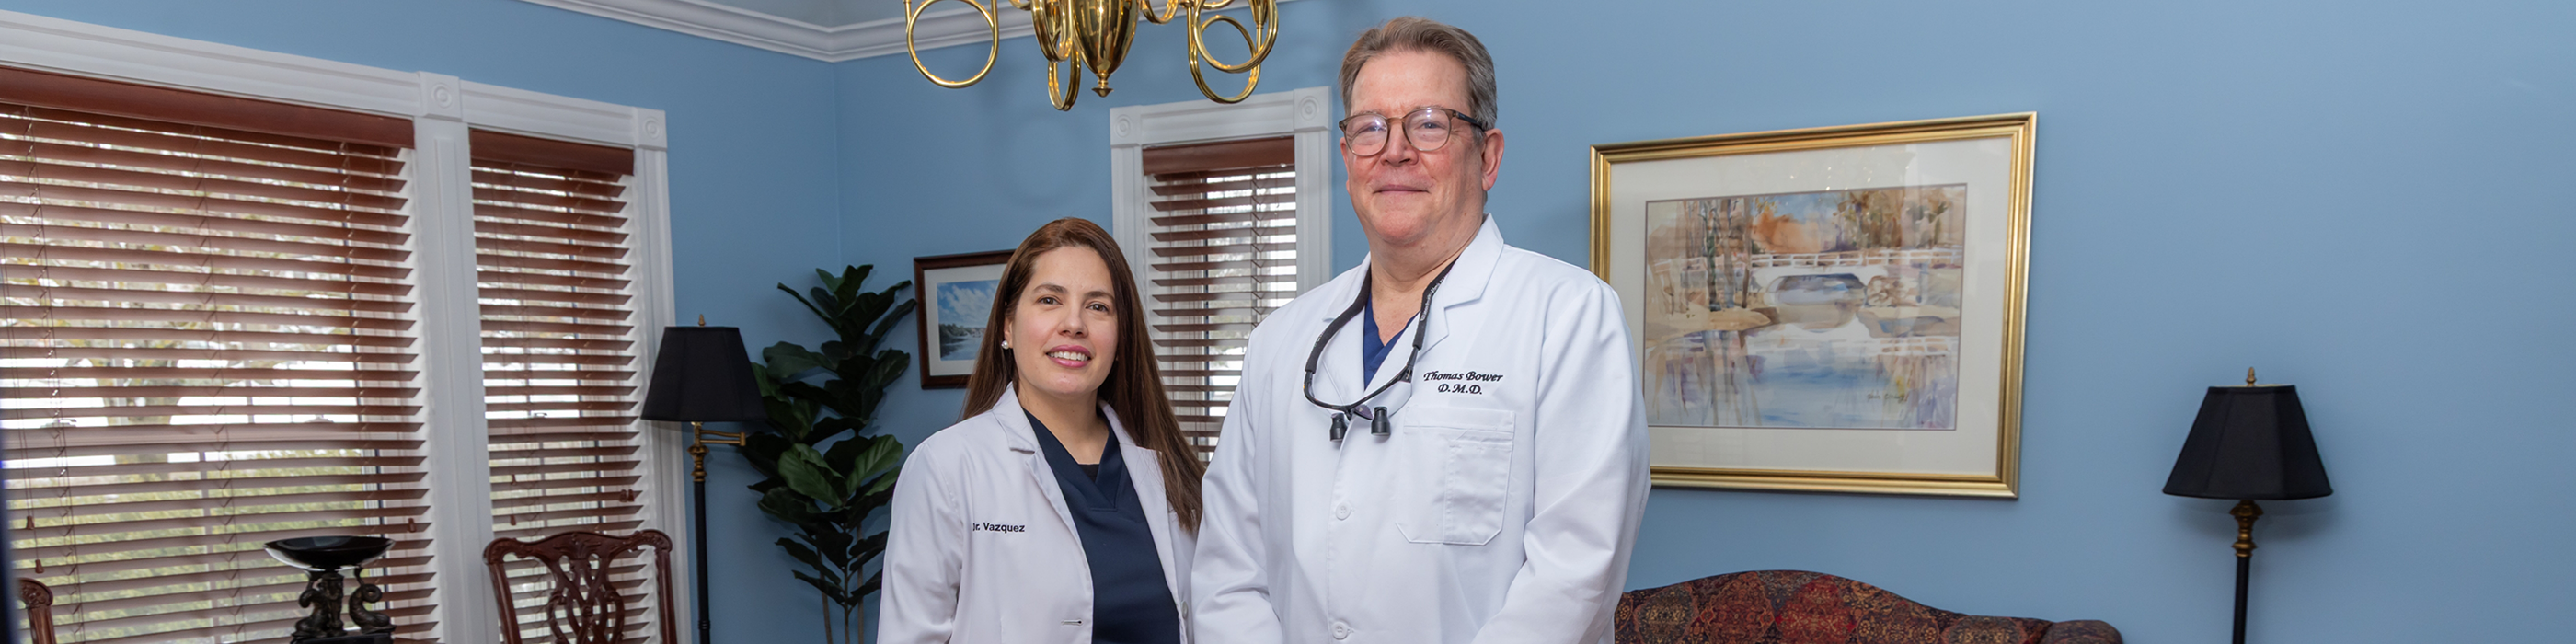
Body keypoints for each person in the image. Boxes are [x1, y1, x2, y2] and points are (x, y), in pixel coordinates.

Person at [1190, 17, 1650, 644]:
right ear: (1348, 157)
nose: (1394, 151)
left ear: (1487, 157)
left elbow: (1574, 577)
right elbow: (1228, 573)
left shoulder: (1568, 316)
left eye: (1429, 124)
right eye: (1369, 127)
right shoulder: (1279, 341)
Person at [879, 217, 1205, 644]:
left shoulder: (1170, 471)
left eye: (1098, 306)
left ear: (1121, 337)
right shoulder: (946, 468)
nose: (1074, 323)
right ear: (1008, 327)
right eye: (1050, 300)